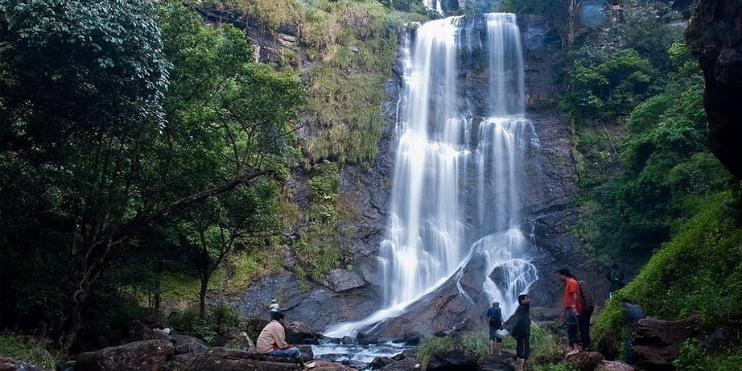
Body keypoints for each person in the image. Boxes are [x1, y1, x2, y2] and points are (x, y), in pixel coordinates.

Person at [556, 268, 582, 356]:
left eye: (560, 275)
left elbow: (574, 294)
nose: (559, 277)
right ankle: (575, 346)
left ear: (564, 275)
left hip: (571, 309)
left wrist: (574, 306)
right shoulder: (569, 283)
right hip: (569, 308)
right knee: (572, 327)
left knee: (571, 327)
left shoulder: (571, 282)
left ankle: (575, 348)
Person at [511, 292, 531, 371]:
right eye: (527, 298)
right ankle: (521, 369)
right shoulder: (522, 309)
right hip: (522, 333)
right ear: (522, 301)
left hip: (521, 333)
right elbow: (518, 321)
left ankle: (519, 368)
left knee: (519, 351)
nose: (529, 299)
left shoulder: (522, 308)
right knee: (524, 352)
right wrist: (514, 331)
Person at [621, 297, 645, 365]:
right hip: (643, 325)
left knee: (628, 343)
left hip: (635, 326)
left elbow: (626, 320)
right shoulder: (638, 306)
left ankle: (629, 362)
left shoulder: (626, 308)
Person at [577, 278, 596, 351]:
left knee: (584, 328)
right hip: (588, 309)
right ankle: (585, 344)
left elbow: (586, 297)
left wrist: (586, 307)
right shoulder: (583, 283)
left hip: (586, 309)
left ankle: (586, 345)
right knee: (584, 327)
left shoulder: (579, 284)